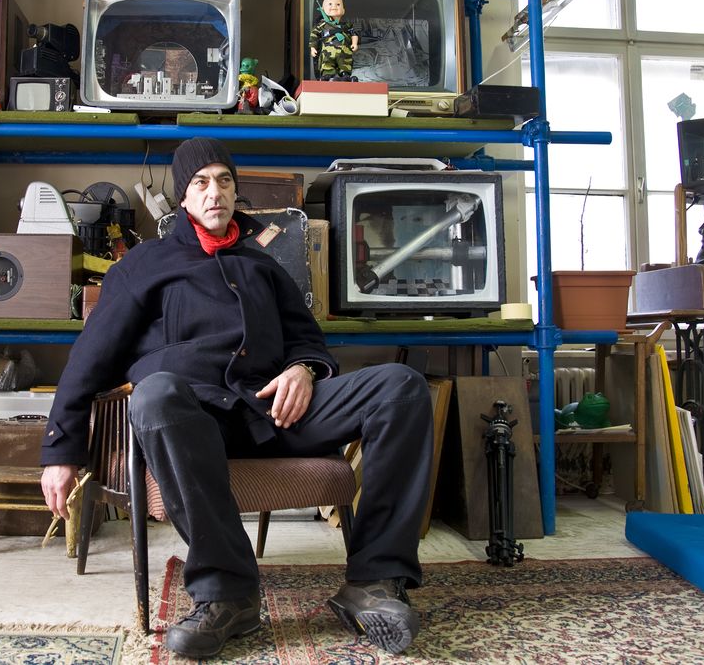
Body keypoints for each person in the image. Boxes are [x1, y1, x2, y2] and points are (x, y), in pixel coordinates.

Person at [40, 137, 433, 658]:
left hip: (276, 412)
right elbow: (89, 362)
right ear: (184, 196)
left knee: (399, 387)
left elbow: (308, 339)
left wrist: (304, 368)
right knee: (155, 393)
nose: (214, 191)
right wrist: (61, 451)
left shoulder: (262, 264)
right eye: (201, 182)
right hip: (193, 422)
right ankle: (228, 593)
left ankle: (375, 581)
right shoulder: (143, 266)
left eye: (224, 180)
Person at [309, 0, 359, 81]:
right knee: (327, 64)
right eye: (330, 4)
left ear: (343, 10)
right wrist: (313, 48)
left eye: (338, 4)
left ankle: (345, 75)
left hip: (344, 50)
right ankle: (328, 75)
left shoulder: (347, 25)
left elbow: (354, 34)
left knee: (345, 63)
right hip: (328, 49)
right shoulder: (322, 25)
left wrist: (354, 43)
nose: (334, 6)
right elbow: (314, 35)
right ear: (323, 10)